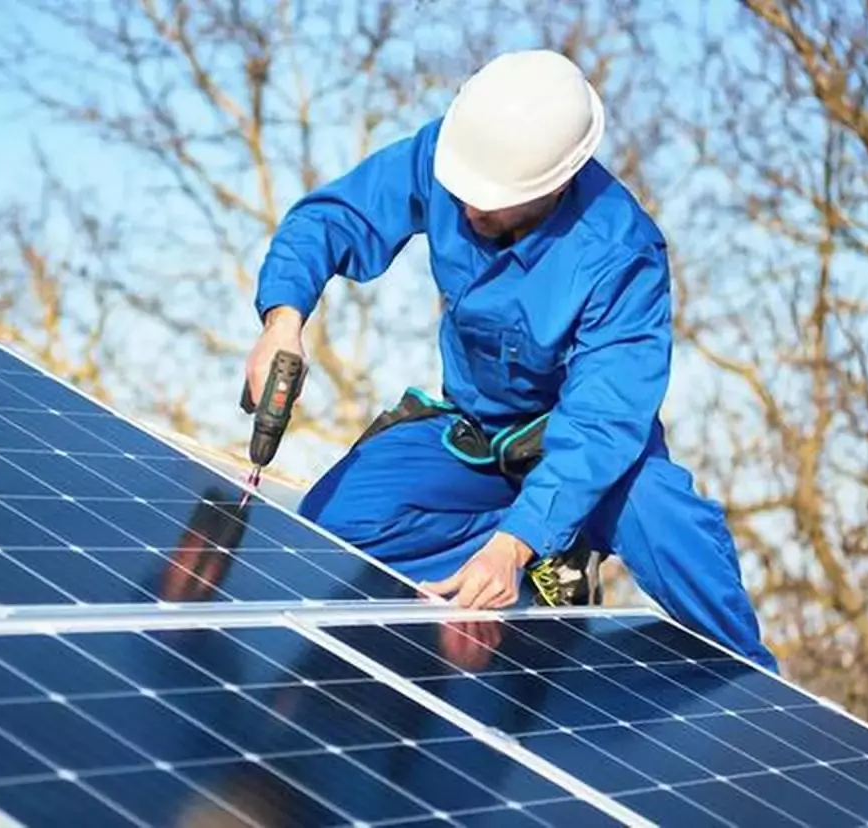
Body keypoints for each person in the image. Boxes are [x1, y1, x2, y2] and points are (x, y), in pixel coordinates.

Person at [243, 49, 778, 673]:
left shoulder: (620, 252)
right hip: (474, 437)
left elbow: (602, 421)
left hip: (579, 452)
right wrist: (284, 319)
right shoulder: (451, 154)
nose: (469, 211)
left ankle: (754, 684)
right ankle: (549, 556)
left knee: (670, 528)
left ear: (555, 184)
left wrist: (517, 540)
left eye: (492, 203)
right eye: (464, 194)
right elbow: (337, 217)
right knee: (330, 526)